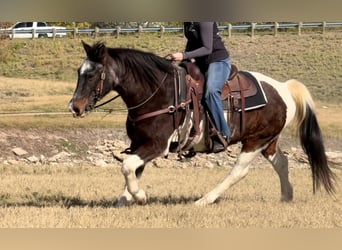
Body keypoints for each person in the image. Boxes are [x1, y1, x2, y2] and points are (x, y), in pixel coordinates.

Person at [171, 22, 232, 153]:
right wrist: (183, 61)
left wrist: (184, 55)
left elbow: (207, 48)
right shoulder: (188, 22)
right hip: (200, 61)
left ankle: (223, 133)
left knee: (211, 92)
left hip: (217, 60)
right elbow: (191, 43)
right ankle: (186, 135)